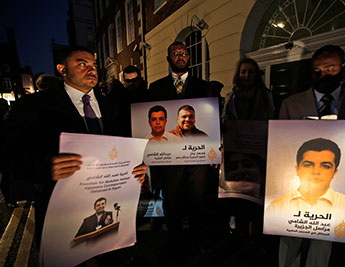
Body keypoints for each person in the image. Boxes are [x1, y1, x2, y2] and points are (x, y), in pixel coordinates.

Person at [4, 46, 147, 250]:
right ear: (62, 70)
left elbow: (125, 146)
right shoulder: (34, 106)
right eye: (82, 64)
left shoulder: (114, 106)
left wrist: (137, 168)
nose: (91, 70)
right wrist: (44, 167)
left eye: (93, 65)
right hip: (64, 211)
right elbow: (11, 154)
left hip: (111, 210)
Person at [278, 44, 345, 267]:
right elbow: (279, 147)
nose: (323, 75)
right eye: (317, 70)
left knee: (324, 243)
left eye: (330, 68)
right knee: (290, 236)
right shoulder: (291, 103)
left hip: (341, 187)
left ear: (343, 68)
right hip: (297, 185)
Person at [148, 41, 214, 255]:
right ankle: (175, 242)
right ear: (168, 59)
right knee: (172, 203)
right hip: (169, 161)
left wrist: (215, 148)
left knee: (198, 201)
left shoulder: (204, 86)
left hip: (197, 162)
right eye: (175, 53)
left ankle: (198, 241)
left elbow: (213, 123)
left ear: (189, 57)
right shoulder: (156, 88)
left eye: (184, 53)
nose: (180, 56)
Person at [220, 57, 274, 236]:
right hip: (235, 152)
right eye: (243, 71)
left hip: (258, 151)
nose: (247, 75)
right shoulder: (231, 96)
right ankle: (239, 233)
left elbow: (272, 122)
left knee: (257, 195)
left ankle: (256, 235)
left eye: (251, 71)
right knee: (238, 193)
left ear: (256, 74)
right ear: (238, 74)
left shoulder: (266, 96)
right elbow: (223, 121)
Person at [266, 138, 345, 223]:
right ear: (297, 170)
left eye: (325, 166)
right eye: (308, 165)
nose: (316, 171)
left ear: (334, 172)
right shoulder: (276, 207)